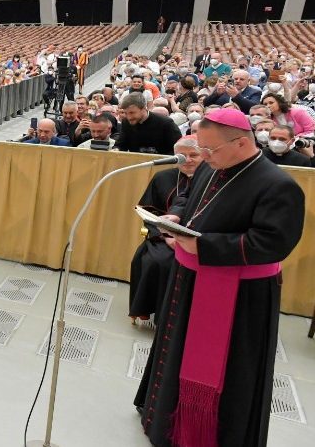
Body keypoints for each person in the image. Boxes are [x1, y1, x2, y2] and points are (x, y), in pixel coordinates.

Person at [134, 108, 305, 447]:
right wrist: (175, 214)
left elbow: (272, 244)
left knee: (227, 371)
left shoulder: (278, 185)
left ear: (241, 144)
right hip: (188, 280)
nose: (204, 157)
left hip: (239, 297)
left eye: (209, 150)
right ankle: (164, 421)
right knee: (175, 348)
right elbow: (188, 197)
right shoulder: (213, 166)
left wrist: (204, 246)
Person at [128, 136, 202, 321]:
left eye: (194, 155)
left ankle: (178, 319)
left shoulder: (210, 179)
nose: (188, 160)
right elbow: (148, 212)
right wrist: (168, 237)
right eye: (182, 155)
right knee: (158, 262)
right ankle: (158, 315)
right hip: (163, 237)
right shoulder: (163, 177)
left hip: (200, 238)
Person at [115, 94, 182, 155]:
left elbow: (179, 148)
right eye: (126, 113)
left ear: (144, 108)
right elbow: (121, 144)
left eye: (132, 113)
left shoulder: (166, 123)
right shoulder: (126, 122)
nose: (129, 117)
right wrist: (116, 149)